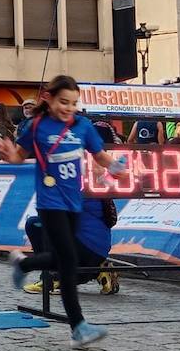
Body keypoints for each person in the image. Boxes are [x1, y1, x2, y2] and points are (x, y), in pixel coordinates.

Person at [0, 74, 130, 349]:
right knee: (68, 260)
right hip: (50, 202)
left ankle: (25, 263)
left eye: (73, 103)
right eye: (63, 102)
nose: (68, 107)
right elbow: (18, 157)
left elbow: (101, 156)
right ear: (49, 98)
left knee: (59, 257)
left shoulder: (82, 126)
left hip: (73, 203)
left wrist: (117, 169)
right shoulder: (36, 126)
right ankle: (78, 327)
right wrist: (6, 151)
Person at [23, 121, 121, 297]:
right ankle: (98, 269)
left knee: (36, 224)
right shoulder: (99, 181)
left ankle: (52, 277)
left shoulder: (74, 176)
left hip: (81, 249)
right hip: (98, 248)